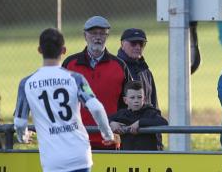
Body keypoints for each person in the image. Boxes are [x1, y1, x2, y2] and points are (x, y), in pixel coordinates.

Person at [13, 28, 125, 172]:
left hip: (56, 155)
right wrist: (107, 134)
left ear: (39, 50)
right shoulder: (75, 78)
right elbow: (96, 107)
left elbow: (20, 121)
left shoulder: (27, 83)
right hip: (81, 150)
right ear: (63, 50)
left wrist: (22, 136)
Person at [62, 16, 130, 150]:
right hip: (76, 139)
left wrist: (119, 122)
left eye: (102, 33)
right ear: (85, 36)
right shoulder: (70, 64)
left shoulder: (119, 65)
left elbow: (129, 102)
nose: (97, 37)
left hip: (110, 140)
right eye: (93, 33)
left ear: (107, 36)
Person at [108, 81, 168, 151]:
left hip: (148, 155)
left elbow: (164, 122)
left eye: (139, 97)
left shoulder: (150, 112)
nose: (136, 100)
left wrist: (140, 123)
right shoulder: (122, 114)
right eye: (132, 98)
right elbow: (103, 120)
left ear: (144, 99)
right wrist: (111, 123)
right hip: (127, 155)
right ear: (125, 100)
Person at [117, 28, 158, 109]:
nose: (138, 47)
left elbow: (154, 103)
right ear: (122, 44)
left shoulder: (146, 71)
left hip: (147, 116)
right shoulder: (115, 68)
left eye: (141, 44)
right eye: (133, 43)